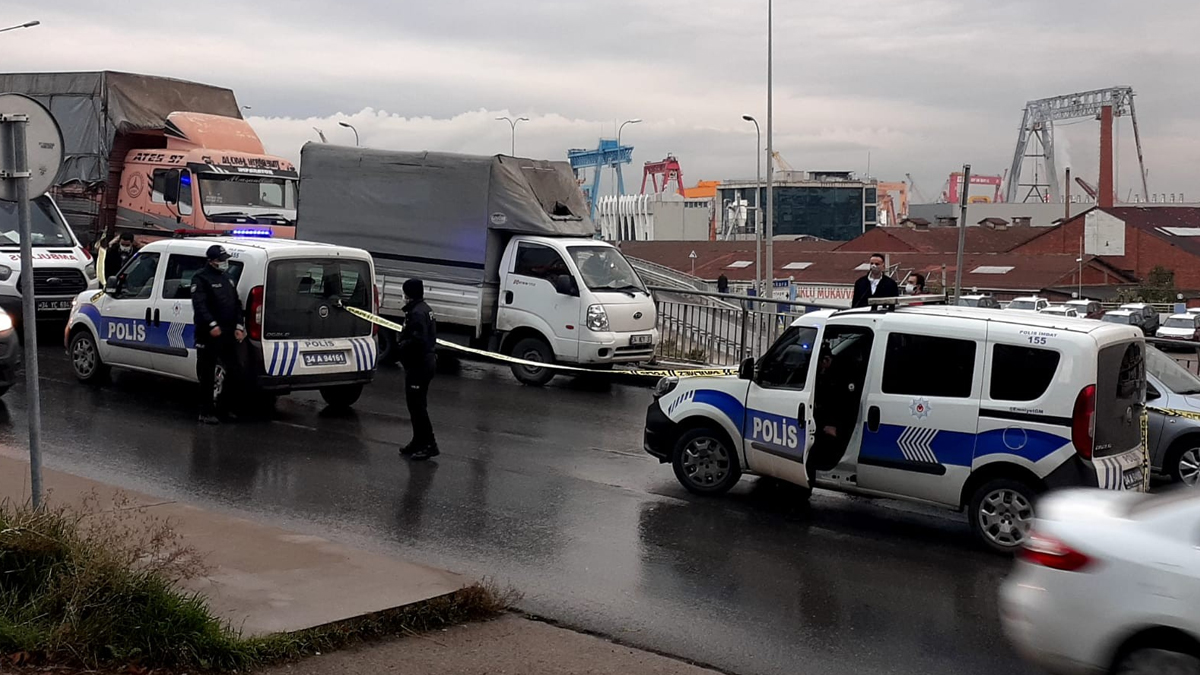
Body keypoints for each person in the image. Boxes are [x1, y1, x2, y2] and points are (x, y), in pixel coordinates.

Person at [192, 244, 245, 424]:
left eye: (225, 259)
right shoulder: (201, 278)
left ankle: (224, 407)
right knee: (207, 374)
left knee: (235, 369)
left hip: (228, 332)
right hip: (209, 334)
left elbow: (236, 303)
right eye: (221, 260)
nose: (225, 263)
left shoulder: (227, 278)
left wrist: (239, 325)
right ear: (212, 261)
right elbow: (200, 305)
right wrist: (211, 324)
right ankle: (205, 411)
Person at [397, 278, 439, 461]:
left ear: (409, 294)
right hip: (423, 363)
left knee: (418, 407)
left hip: (419, 365)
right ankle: (418, 440)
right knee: (414, 406)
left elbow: (418, 340)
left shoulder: (417, 313)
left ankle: (429, 444)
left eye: (405, 292)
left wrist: (402, 345)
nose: (403, 296)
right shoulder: (424, 309)